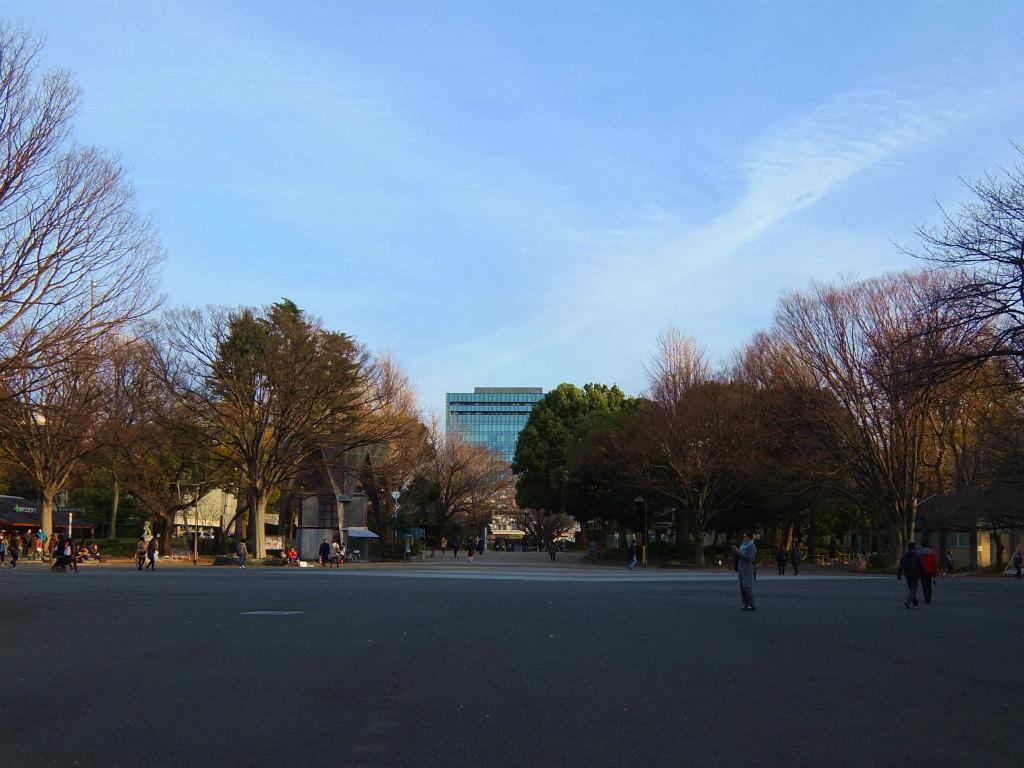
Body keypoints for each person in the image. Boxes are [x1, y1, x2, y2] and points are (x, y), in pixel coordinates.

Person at [896, 541, 925, 609]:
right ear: (915, 548)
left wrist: (899, 574)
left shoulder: (904, 556)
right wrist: (923, 572)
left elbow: (901, 566)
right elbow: (921, 566)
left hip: (908, 574)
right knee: (913, 589)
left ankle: (915, 603)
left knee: (911, 589)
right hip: (916, 574)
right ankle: (908, 601)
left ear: (908, 548)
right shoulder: (917, 556)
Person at [734, 532, 757, 611]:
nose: (744, 538)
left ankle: (751, 604)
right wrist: (737, 552)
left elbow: (750, 558)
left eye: (745, 537)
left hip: (747, 569)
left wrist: (739, 553)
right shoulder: (742, 546)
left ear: (749, 538)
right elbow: (740, 556)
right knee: (742, 587)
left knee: (747, 587)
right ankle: (745, 604)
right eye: (743, 537)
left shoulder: (752, 547)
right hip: (741, 568)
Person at [917, 539, 938, 604]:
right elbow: (934, 563)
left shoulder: (918, 553)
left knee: (924, 585)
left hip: (921, 571)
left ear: (922, 545)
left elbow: (917, 563)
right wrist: (935, 572)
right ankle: (929, 598)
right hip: (929, 571)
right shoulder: (932, 553)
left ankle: (926, 598)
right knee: (929, 585)